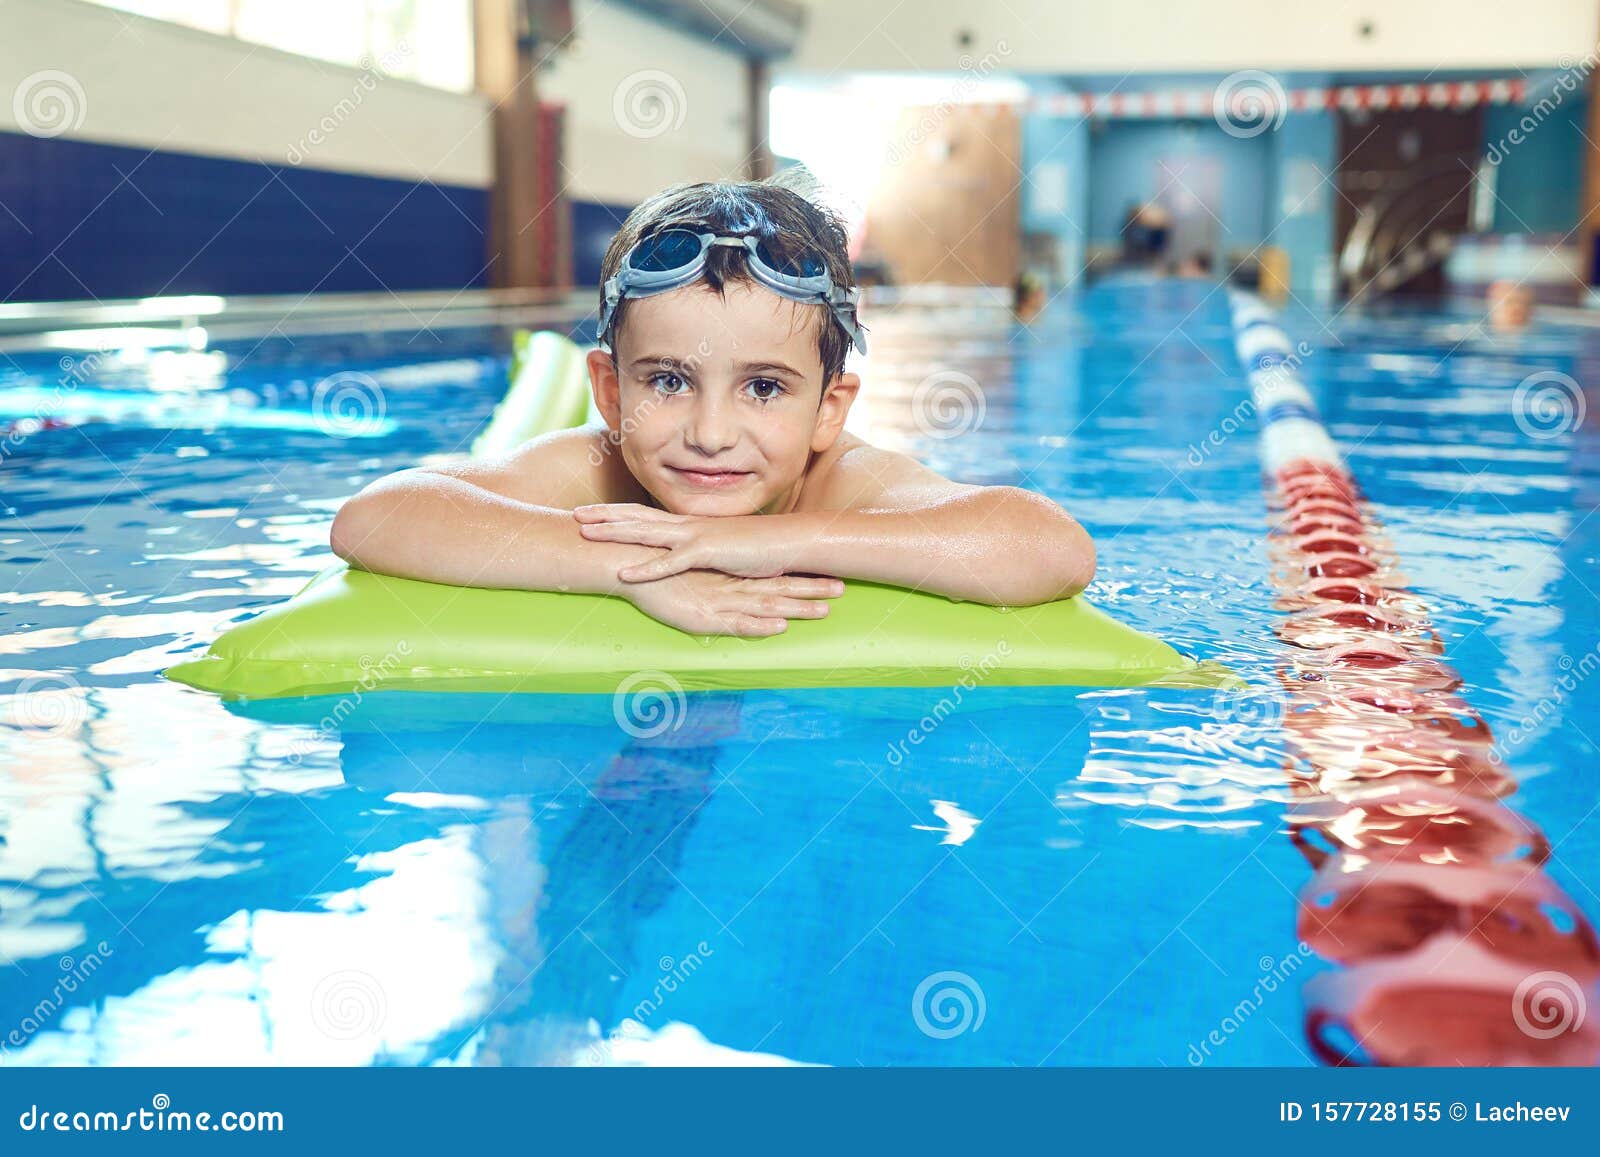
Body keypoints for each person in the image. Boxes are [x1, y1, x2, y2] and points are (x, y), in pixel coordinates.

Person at [330, 171, 1096, 638]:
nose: (710, 433)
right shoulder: (599, 475)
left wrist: (778, 541)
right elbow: (376, 517)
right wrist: (637, 567)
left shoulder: (846, 482)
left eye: (764, 387)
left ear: (830, 410)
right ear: (609, 392)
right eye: (667, 381)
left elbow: (1053, 550)